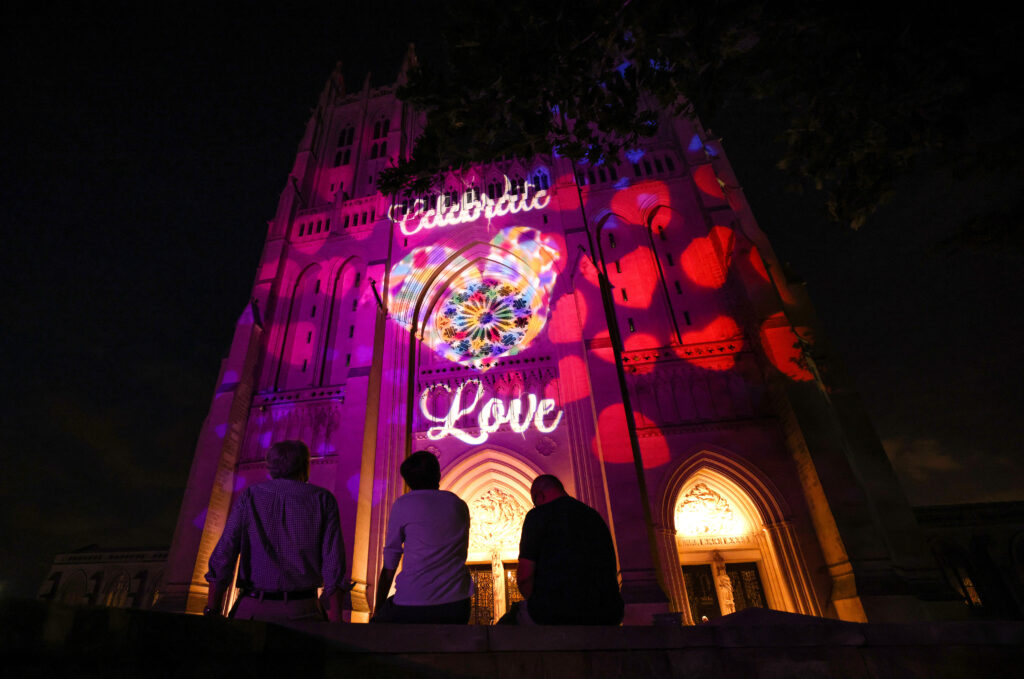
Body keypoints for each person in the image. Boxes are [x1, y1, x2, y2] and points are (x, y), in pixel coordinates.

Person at [204, 440, 345, 623]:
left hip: (252, 609)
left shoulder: (250, 496)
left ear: (270, 466)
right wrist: (336, 617)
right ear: (305, 466)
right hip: (303, 611)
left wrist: (213, 609)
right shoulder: (323, 499)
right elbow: (333, 561)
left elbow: (225, 552)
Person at [500, 474, 624, 625]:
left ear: (540, 496)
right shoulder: (594, 516)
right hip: (606, 613)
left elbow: (525, 576)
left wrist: (538, 604)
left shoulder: (538, 515)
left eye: (535, 502)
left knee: (505, 627)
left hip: (558, 612)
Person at [372, 450, 472, 623]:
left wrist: (378, 609)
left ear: (408, 481)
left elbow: (390, 564)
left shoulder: (403, 504)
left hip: (411, 604)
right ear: (438, 474)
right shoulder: (459, 505)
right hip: (456, 604)